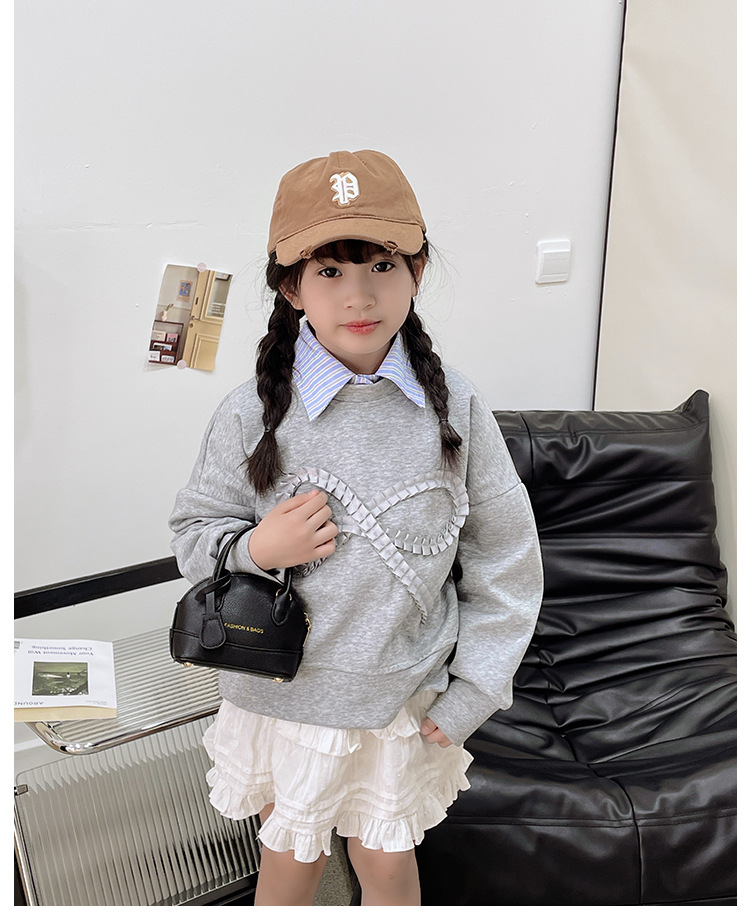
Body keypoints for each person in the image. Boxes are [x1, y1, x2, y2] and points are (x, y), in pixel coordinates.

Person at [169, 149, 544, 906]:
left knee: (388, 868)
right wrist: (255, 549)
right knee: (290, 868)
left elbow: (506, 557)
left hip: (401, 705)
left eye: (382, 265)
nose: (359, 295)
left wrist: (475, 689)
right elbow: (192, 532)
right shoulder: (250, 412)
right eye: (330, 271)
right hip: (283, 702)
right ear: (291, 286)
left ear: (417, 270)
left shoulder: (456, 408)